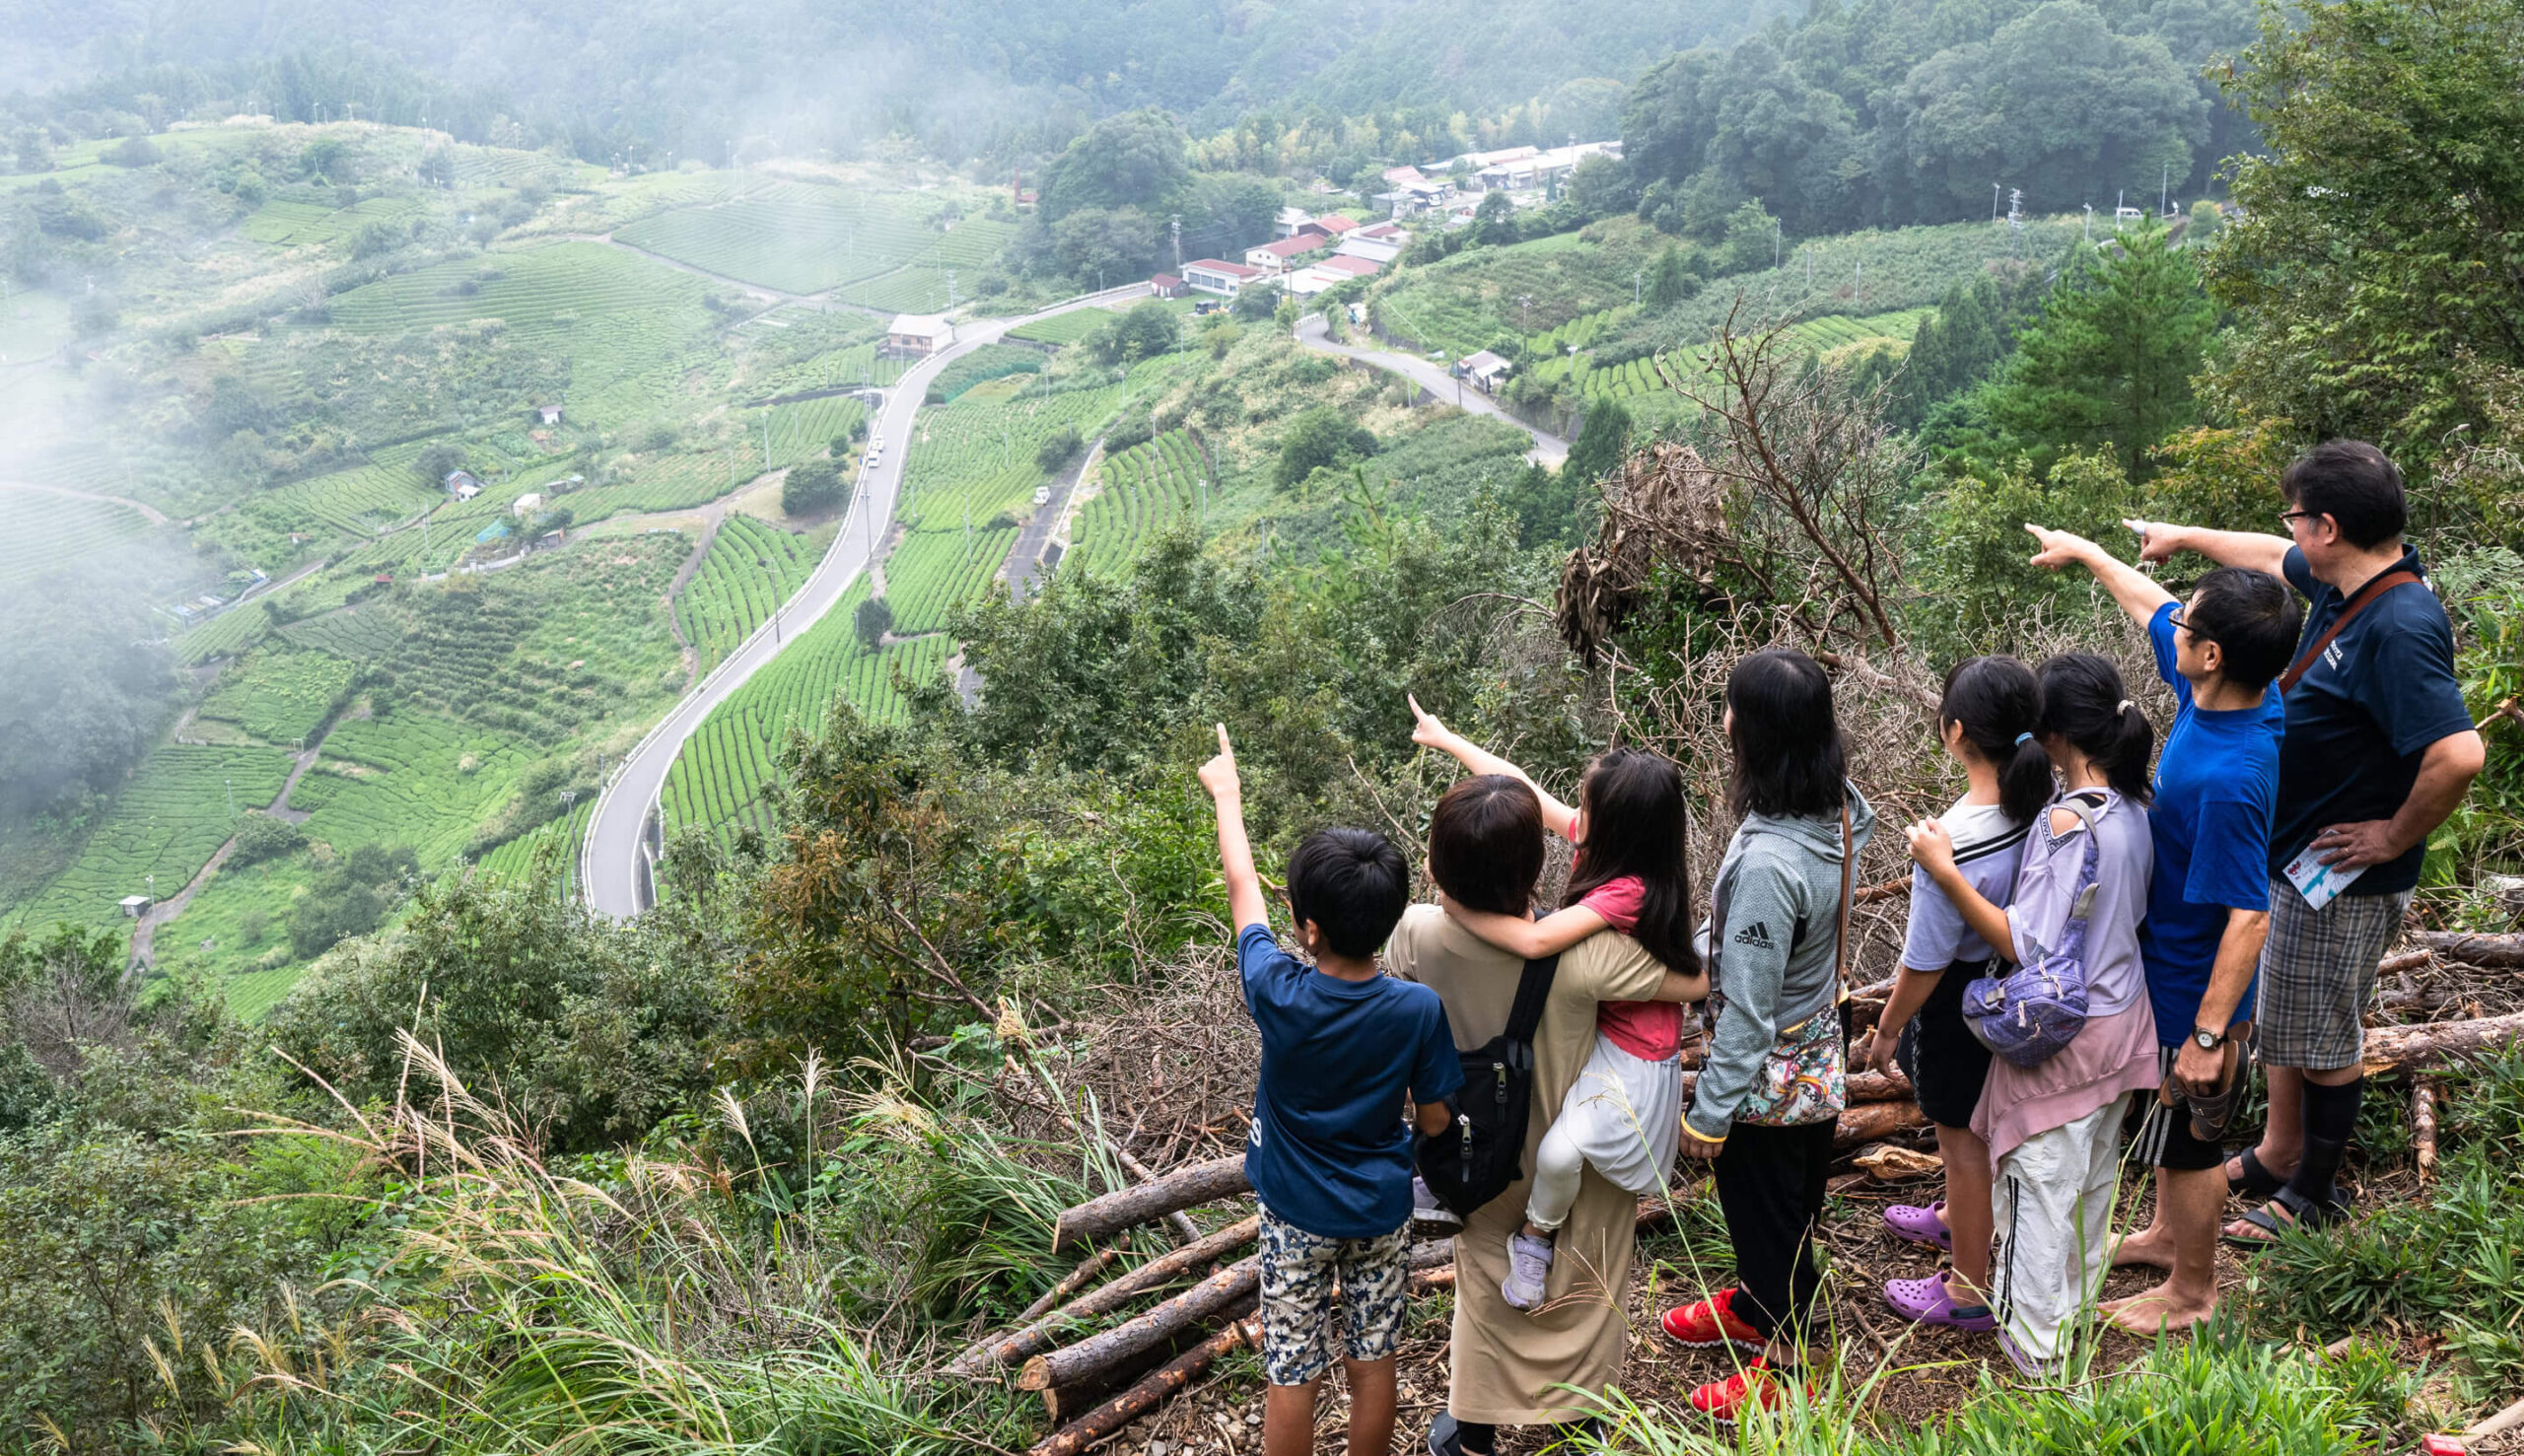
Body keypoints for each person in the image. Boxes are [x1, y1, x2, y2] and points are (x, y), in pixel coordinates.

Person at [2128, 441, 2485, 1242]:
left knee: (2323, 1034)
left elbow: (2460, 752)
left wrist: (2391, 834)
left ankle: (2314, 1192)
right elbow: (2266, 555)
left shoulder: (2399, 622)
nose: (2288, 533)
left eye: (2297, 517)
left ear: (2329, 526)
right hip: (2297, 852)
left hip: (2346, 871)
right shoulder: (2343, 580)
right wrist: (2184, 537)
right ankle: (2279, 1151)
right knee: (2292, 1015)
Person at [2023, 525, 2299, 1331]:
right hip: (2175, 966)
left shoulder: (2229, 775)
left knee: (2192, 1138)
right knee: (2173, 1128)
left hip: (2192, 982)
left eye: (2190, 627)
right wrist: (2091, 554)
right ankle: (2165, 1237)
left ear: (2212, 655)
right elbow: (2153, 601)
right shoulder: (2230, 694)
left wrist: (2210, 1034)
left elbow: (2250, 913)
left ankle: (2193, 1291)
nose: (2174, 627)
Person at [1383, 771, 1692, 1456]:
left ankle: (1473, 1435)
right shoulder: (1585, 950)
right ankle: (1580, 1425)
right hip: (1574, 1153)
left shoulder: (1416, 933)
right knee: (1588, 1285)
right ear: (1535, 865)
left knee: (1486, 1288)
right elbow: (1695, 977)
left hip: (1477, 1155)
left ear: (1439, 863)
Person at [1198, 725, 1461, 1456]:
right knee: (1373, 1360)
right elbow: (1436, 1115)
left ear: (1307, 928)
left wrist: (1229, 794)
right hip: (1380, 1210)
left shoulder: (1278, 992)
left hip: (1293, 1214)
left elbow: (1241, 887)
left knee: (1293, 1368)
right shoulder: (1415, 1009)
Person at [1906, 653, 2159, 1377]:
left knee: (2039, 1191)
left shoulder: (2062, 823)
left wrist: (1946, 871)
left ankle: (2035, 1356)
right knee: (2089, 1190)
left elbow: (2028, 941)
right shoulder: (2136, 804)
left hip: (2069, 1039)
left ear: (2049, 734)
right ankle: (2071, 1320)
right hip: (2125, 1018)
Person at [1406, 708, 1702, 1313]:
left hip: (1631, 1057)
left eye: (1585, 806)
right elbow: (1522, 788)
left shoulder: (1627, 890)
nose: (1573, 813)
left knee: (1561, 1153)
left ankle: (1536, 1240)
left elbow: (1537, 942)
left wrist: (1450, 901)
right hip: (1604, 1033)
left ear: (1616, 827)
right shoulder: (1602, 846)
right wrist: (1449, 737)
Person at [1657, 649, 1874, 1422]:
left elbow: (1747, 1010)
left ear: (1754, 733)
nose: (1724, 718)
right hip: (1820, 1043)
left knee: (1767, 1218)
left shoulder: (1771, 864)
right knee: (1792, 1205)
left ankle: (1783, 1370)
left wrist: (1708, 1114)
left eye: (1732, 708)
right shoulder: (1836, 805)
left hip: (1771, 1078)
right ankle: (1753, 1303)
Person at [1859, 656, 2049, 1336]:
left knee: (1964, 1144)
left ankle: (1967, 1290)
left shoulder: (1952, 842)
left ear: (1955, 730)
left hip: (1959, 1007)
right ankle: (1951, 1216)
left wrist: (1886, 1028)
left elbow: (1924, 961)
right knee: (1980, 1127)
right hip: (2015, 993)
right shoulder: (2045, 808)